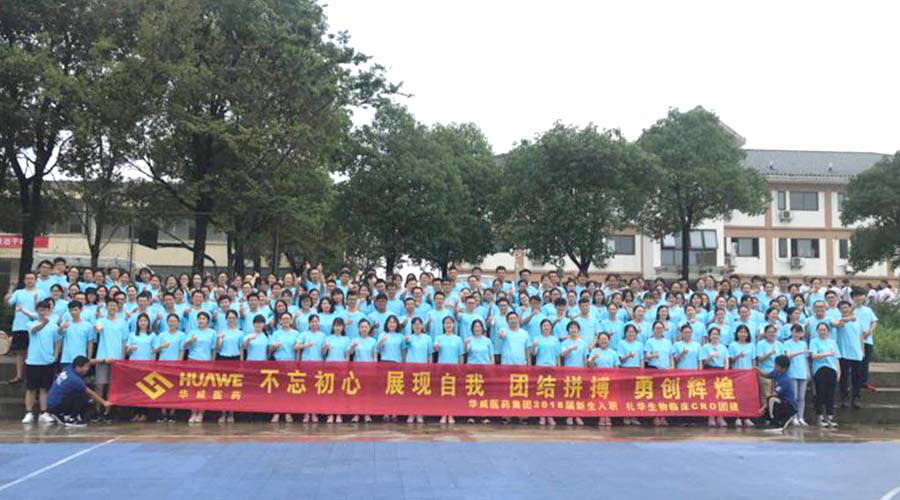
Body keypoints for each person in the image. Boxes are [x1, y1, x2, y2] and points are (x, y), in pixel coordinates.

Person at [22, 299, 61, 424]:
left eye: (45, 309)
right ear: (37, 311)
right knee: (31, 389)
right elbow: (35, 330)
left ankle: (44, 413)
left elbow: (57, 341)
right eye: (40, 309)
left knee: (45, 389)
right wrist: (43, 323)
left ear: (49, 311)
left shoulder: (54, 326)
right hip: (33, 361)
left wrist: (55, 355)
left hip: (47, 361)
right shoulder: (31, 324)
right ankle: (29, 413)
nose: (43, 312)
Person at [47, 356, 112, 426]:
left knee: (82, 395)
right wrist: (104, 402)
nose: (88, 369)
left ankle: (67, 414)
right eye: (86, 367)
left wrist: (103, 360)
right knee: (81, 396)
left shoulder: (69, 368)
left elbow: (90, 361)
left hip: (52, 403)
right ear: (78, 367)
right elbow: (91, 393)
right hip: (56, 406)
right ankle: (71, 418)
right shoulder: (74, 379)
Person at [5, 272, 45, 385]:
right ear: (24, 280)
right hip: (19, 326)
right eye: (27, 278)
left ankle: (30, 376)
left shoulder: (41, 293)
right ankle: (19, 375)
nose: (29, 280)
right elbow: (8, 303)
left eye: (32, 278)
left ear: (35, 280)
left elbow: (45, 308)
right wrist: (9, 293)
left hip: (36, 326)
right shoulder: (18, 292)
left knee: (33, 351)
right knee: (20, 352)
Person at [93, 298, 128, 422]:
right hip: (102, 358)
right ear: (106, 307)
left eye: (114, 305)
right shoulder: (101, 321)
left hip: (117, 360)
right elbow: (97, 329)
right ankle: (98, 412)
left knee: (112, 387)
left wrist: (122, 359)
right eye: (110, 305)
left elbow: (124, 342)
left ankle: (108, 413)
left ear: (118, 308)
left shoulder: (122, 323)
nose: (112, 308)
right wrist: (98, 326)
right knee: (99, 386)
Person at [269, 311, 301, 424]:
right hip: (278, 363)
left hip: (291, 363)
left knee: (288, 390)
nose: (286, 321)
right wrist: (273, 346)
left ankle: (288, 412)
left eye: (288, 319)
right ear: (280, 321)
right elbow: (270, 351)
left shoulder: (296, 333)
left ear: (291, 321)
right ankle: (276, 412)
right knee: (278, 389)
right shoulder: (276, 334)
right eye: (284, 319)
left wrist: (297, 364)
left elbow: (297, 350)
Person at [809, 322, 840, 427]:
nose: (822, 332)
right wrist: (827, 354)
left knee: (830, 394)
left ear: (828, 331)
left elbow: (836, 358)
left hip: (831, 369)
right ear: (817, 331)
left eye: (824, 330)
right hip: (820, 370)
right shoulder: (814, 342)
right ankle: (819, 417)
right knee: (820, 394)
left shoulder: (832, 342)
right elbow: (813, 355)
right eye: (820, 330)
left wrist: (838, 371)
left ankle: (830, 417)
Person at [835, 300, 865, 409]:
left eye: (846, 307)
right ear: (839, 310)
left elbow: (861, 336)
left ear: (849, 308)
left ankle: (856, 397)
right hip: (844, 353)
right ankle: (844, 398)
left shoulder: (857, 322)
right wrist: (848, 318)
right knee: (844, 377)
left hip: (856, 353)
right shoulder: (840, 320)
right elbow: (839, 324)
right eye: (842, 308)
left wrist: (862, 350)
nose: (845, 309)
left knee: (857, 376)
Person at [434, 317, 464, 424]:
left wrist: (460, 368)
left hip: (454, 368)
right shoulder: (439, 338)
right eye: (446, 323)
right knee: (442, 392)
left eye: (450, 323)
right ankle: (443, 414)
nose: (448, 325)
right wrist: (436, 347)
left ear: (453, 325)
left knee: (452, 393)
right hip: (442, 368)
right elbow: (435, 349)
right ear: (443, 325)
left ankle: (451, 414)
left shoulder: (458, 339)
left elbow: (461, 355)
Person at [323, 318, 351, 423]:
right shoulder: (328, 338)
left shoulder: (347, 339)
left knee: (340, 392)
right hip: (329, 367)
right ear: (333, 327)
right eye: (336, 325)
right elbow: (324, 354)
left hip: (341, 367)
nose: (338, 328)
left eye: (339, 326)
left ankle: (339, 414)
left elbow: (347, 355)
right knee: (330, 391)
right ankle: (330, 414)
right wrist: (325, 348)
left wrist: (346, 366)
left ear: (343, 327)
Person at [782, 324, 811, 426]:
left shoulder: (804, 343)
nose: (797, 334)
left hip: (802, 372)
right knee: (794, 396)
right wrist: (800, 352)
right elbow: (787, 355)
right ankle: (793, 417)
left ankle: (801, 417)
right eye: (795, 332)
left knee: (801, 397)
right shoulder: (787, 343)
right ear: (791, 332)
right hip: (792, 372)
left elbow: (806, 359)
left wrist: (808, 371)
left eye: (799, 332)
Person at [588, 332, 618, 427]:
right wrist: (593, 359)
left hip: (610, 379)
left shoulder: (613, 352)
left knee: (609, 399)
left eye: (605, 339)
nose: (603, 341)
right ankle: (601, 416)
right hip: (598, 378)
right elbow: (590, 366)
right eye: (601, 339)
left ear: (609, 340)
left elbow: (616, 367)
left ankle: (608, 416)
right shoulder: (594, 351)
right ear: (598, 341)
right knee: (600, 398)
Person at [762, 355, 797, 428]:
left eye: (777, 365)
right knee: (771, 400)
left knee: (771, 399)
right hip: (781, 401)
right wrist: (757, 370)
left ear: (783, 369)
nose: (774, 366)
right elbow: (766, 375)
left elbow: (774, 394)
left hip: (789, 405)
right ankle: (773, 421)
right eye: (775, 364)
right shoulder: (776, 373)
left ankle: (778, 421)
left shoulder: (785, 380)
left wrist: (764, 407)